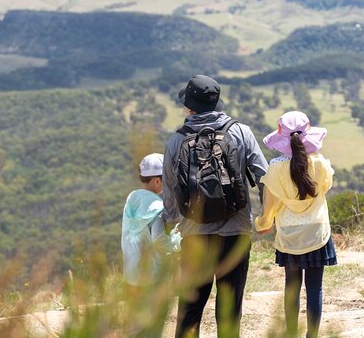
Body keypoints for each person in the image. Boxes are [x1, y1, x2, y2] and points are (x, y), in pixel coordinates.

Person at [162, 75, 268, 338]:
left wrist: (170, 225)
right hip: (236, 234)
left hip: (194, 236)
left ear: (189, 107)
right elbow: (264, 177)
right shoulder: (240, 132)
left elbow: (170, 193)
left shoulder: (176, 141)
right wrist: (269, 216)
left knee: (190, 311)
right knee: (229, 311)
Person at [255, 111, 337, 338]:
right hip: (317, 232)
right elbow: (325, 188)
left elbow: (269, 205)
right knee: (315, 288)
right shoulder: (319, 163)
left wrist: (263, 223)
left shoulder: (275, 167)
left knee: (291, 288)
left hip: (289, 236)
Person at [122, 153, 182, 288]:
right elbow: (158, 239)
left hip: (132, 275)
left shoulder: (131, 201)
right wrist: (179, 241)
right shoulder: (158, 208)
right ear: (157, 181)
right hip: (154, 278)